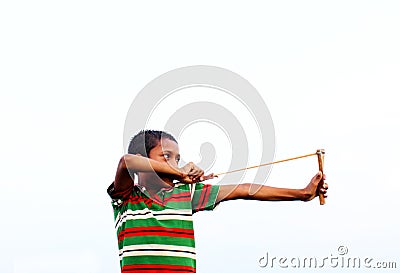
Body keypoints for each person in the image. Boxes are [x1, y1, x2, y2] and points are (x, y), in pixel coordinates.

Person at [108, 130, 328, 273]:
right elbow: (126, 162)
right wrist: (180, 171)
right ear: (144, 158)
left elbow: (244, 190)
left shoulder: (186, 194)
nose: (174, 163)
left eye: (177, 158)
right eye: (166, 156)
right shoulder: (126, 197)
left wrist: (302, 193)